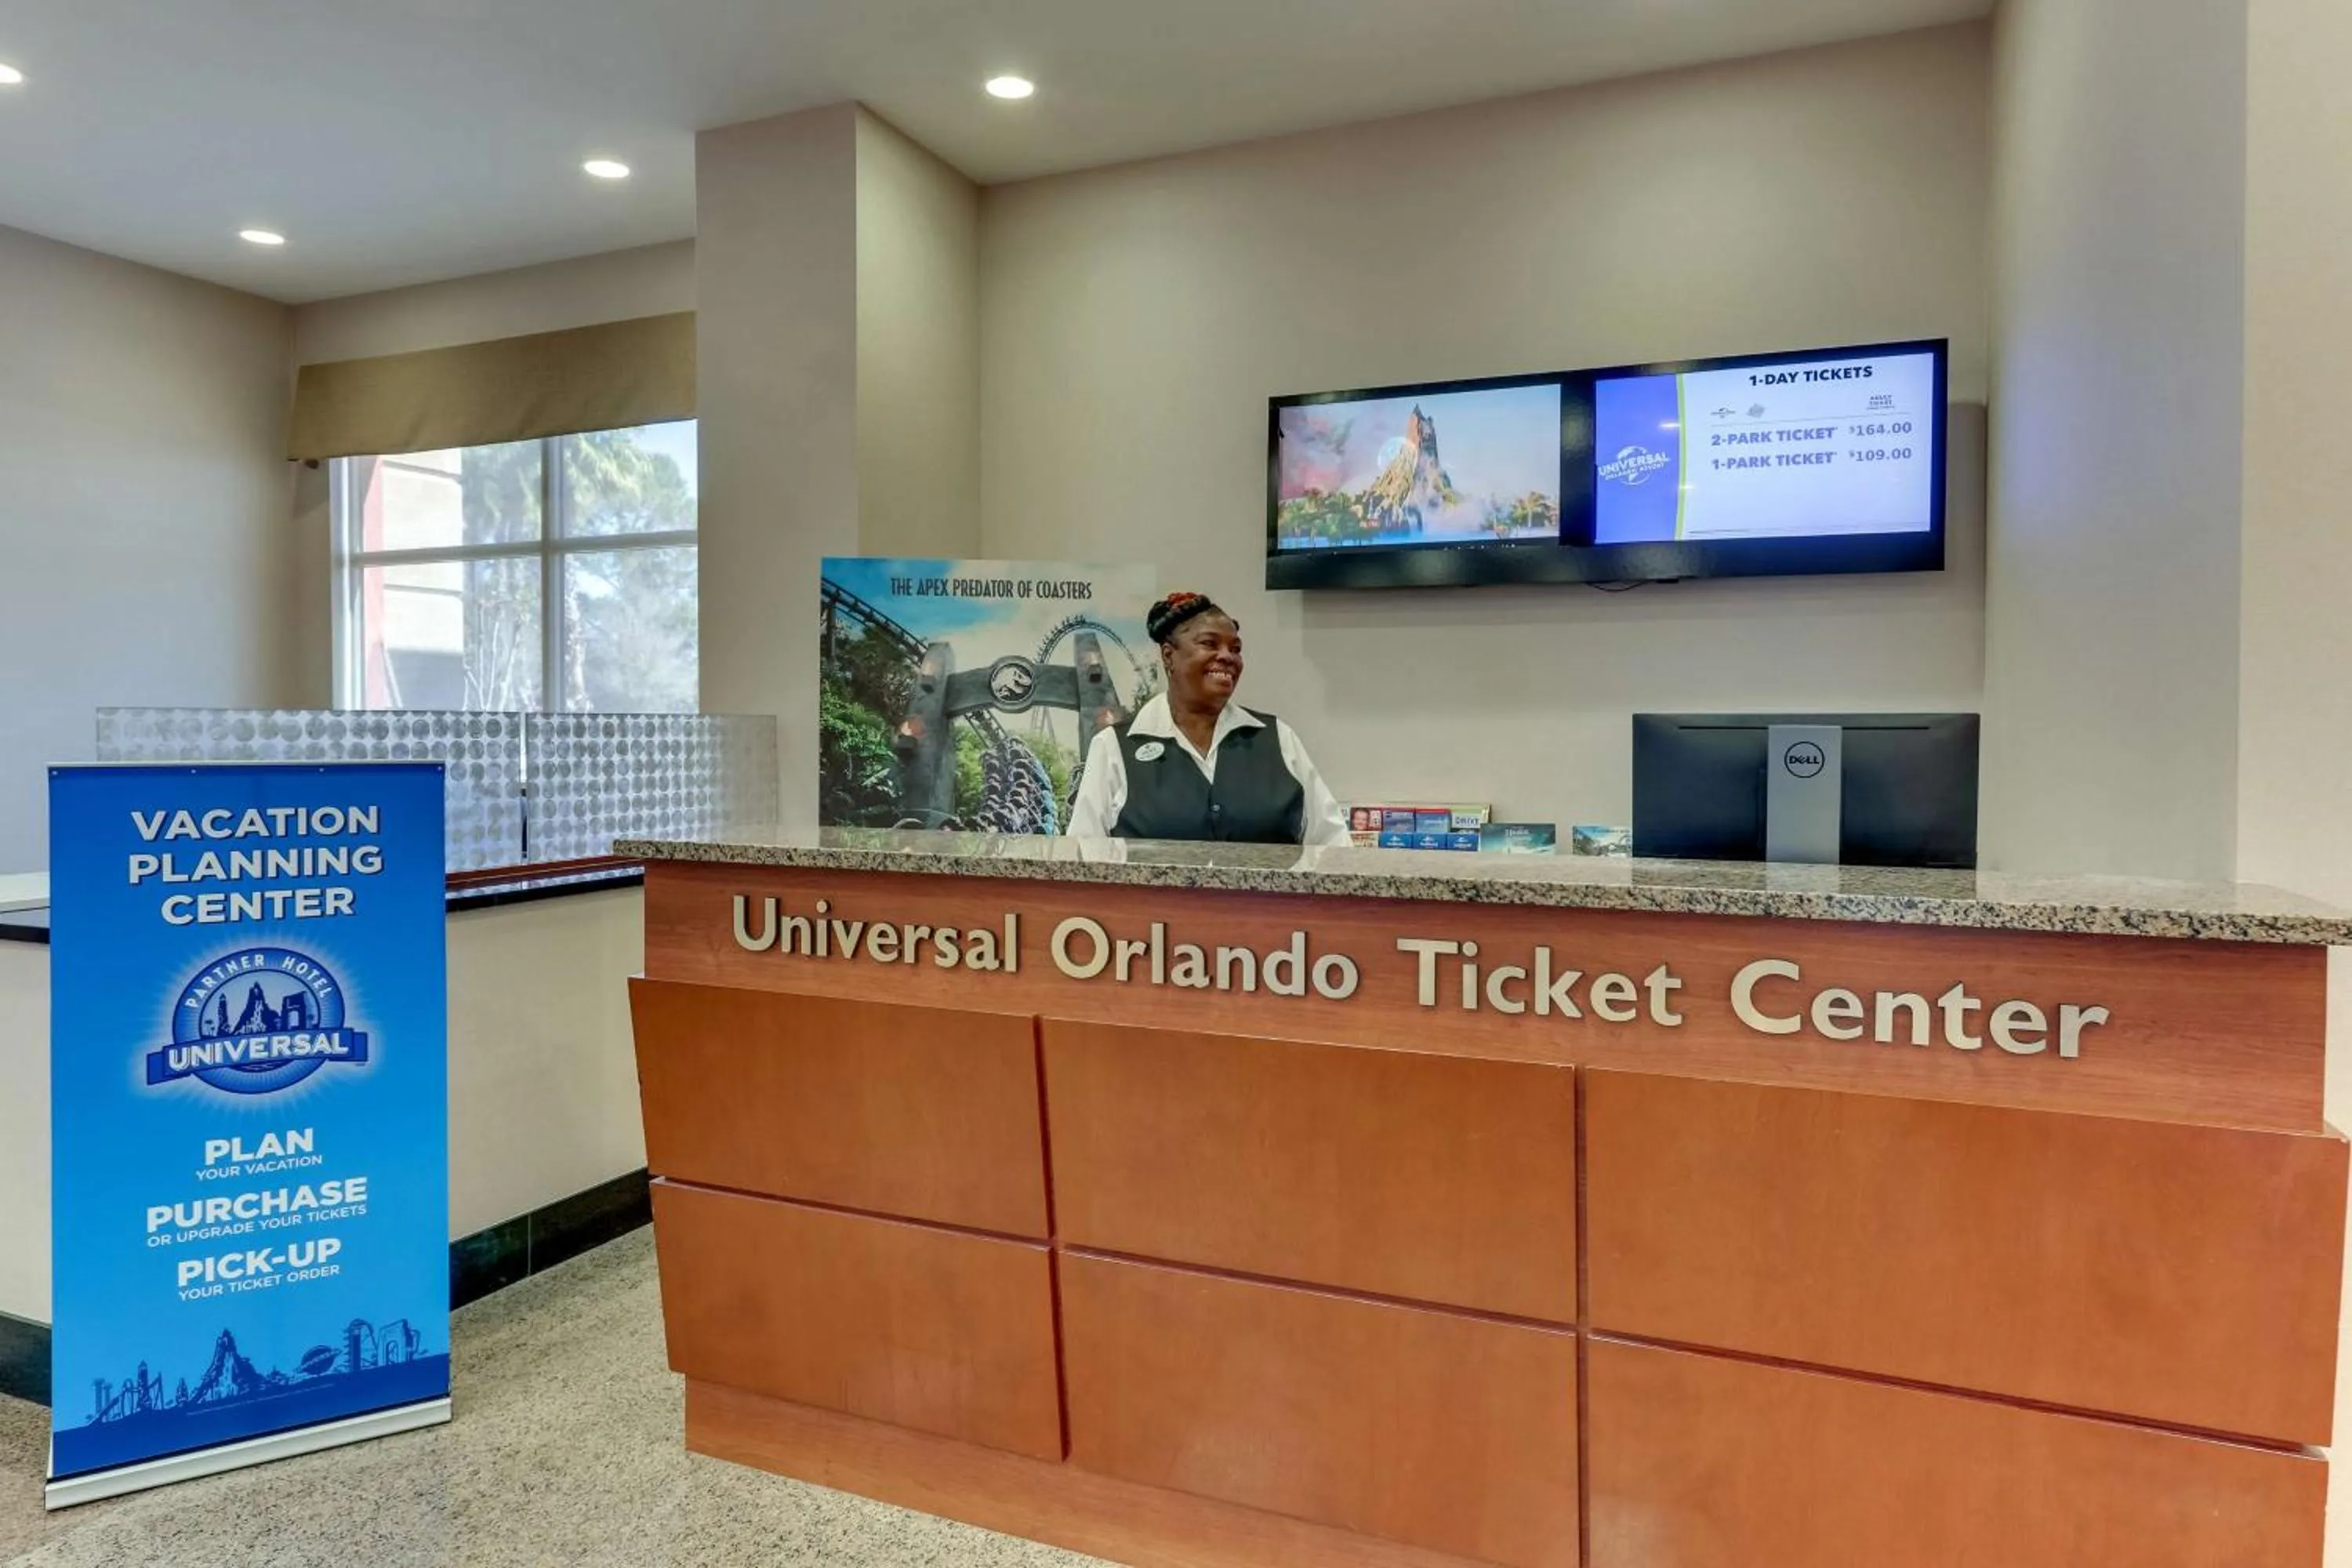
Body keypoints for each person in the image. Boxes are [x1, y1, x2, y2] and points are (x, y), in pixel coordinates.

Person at [1069, 591, 1349, 845]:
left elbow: (1333, 848)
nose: (1228, 657)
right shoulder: (1114, 748)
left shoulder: (1278, 739)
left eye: (1236, 649)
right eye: (1209, 644)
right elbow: (1083, 862)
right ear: (1169, 656)